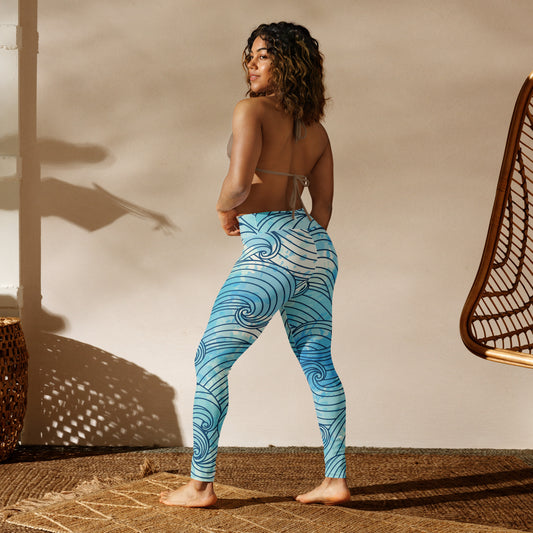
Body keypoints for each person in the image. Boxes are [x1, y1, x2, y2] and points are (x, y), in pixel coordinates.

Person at [160, 21, 350, 508]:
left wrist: (226, 211)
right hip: (316, 249)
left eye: (263, 55)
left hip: (270, 247)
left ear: (288, 63)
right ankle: (335, 480)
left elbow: (240, 183)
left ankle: (200, 485)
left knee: (211, 359)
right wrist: (297, 242)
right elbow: (324, 208)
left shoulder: (250, 110)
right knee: (318, 361)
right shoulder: (318, 131)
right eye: (250, 54)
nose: (251, 63)